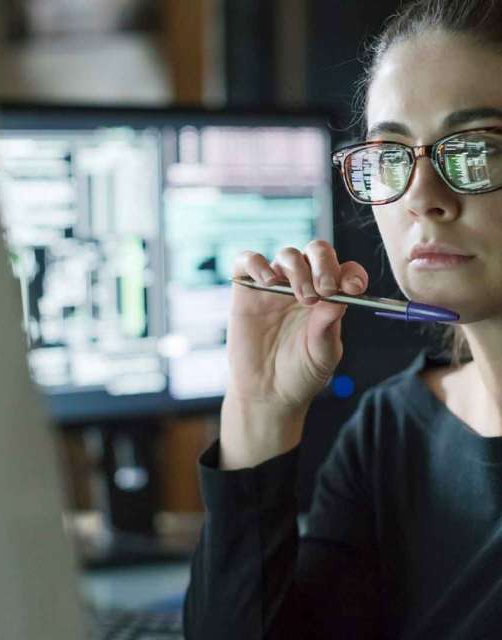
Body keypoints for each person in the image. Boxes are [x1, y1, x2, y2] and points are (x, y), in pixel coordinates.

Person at [183, 0, 502, 638]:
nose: (422, 198)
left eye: (476, 150)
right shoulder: (388, 434)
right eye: (390, 155)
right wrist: (260, 410)